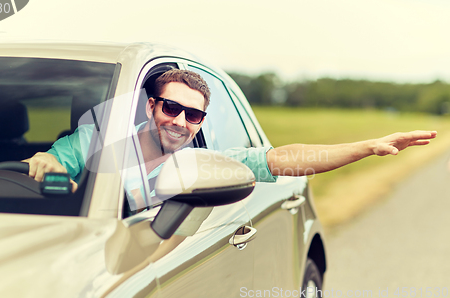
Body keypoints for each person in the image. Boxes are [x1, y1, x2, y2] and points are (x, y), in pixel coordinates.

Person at [24, 69, 437, 196]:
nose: (181, 122)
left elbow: (283, 158)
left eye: (194, 116)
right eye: (171, 108)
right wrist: (47, 162)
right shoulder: (98, 141)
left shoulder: (205, 162)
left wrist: (366, 147)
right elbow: (55, 163)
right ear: (151, 106)